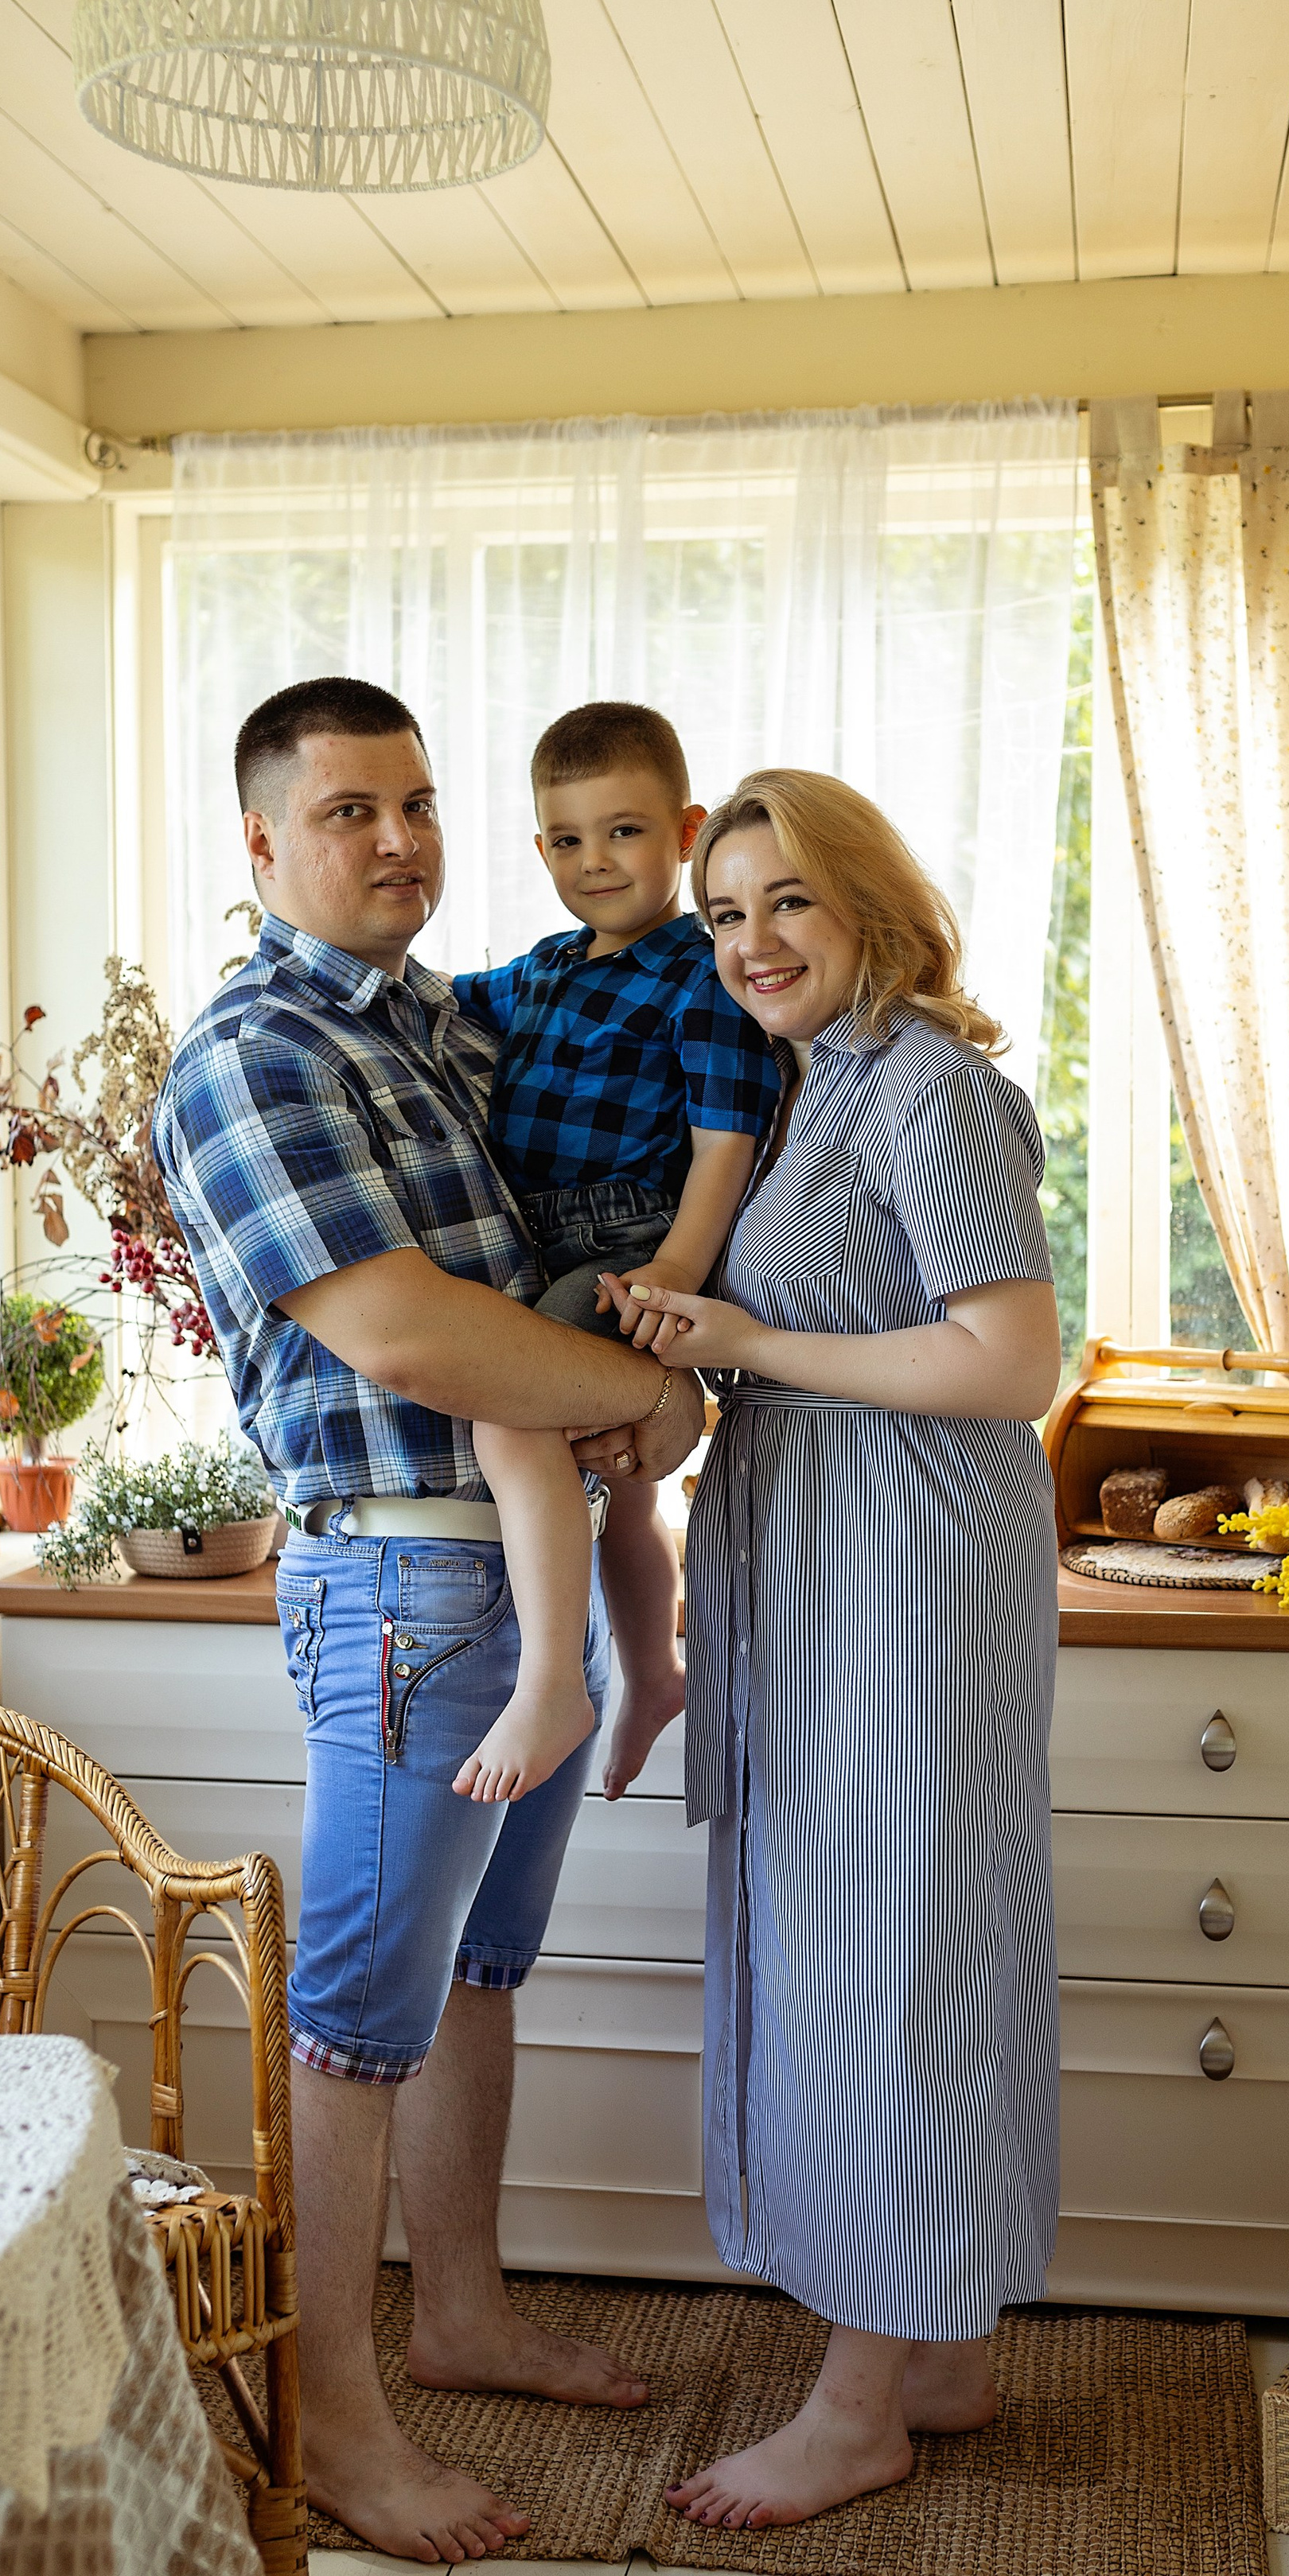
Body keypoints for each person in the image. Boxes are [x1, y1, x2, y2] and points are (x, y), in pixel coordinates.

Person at [152, 675, 707, 2568]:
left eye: (414, 802)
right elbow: (390, 1326)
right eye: (342, 813)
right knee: (354, 2019)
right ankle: (330, 2423)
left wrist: (655, 1376)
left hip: (518, 1550)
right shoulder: (248, 1056)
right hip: (405, 1576)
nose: (395, 840)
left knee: (478, 1974)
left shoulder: (442, 1035)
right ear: (259, 846)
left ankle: (457, 2314)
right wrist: (619, 1393)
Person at [617, 769, 1063, 2531]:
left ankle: (859, 2403)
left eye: (784, 902)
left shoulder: (931, 1090)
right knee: (884, 1937)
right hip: (820, 1552)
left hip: (901, 1569)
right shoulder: (823, 1092)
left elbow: (1006, 1363)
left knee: (888, 1954)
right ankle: (934, 2340)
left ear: (867, 899)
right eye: (722, 915)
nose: (747, 945)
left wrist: (748, 1341)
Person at [450, 701, 780, 1807]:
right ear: (541, 848)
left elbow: (726, 1137)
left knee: (507, 1411)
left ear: (685, 832)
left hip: (628, 1236)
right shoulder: (543, 970)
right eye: (569, 840)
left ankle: (553, 1680)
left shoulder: (702, 973)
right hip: (547, 1236)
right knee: (628, 1502)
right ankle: (652, 1673)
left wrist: (680, 1268)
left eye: (625, 832)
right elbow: (437, 1009)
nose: (597, 863)